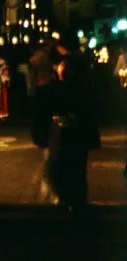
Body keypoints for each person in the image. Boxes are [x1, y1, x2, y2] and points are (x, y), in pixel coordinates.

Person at [46, 55, 101, 213]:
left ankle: (73, 199)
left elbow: (84, 110)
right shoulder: (59, 86)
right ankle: (68, 198)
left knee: (73, 166)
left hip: (73, 133)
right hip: (65, 134)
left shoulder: (75, 87)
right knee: (65, 166)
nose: (60, 69)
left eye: (64, 66)